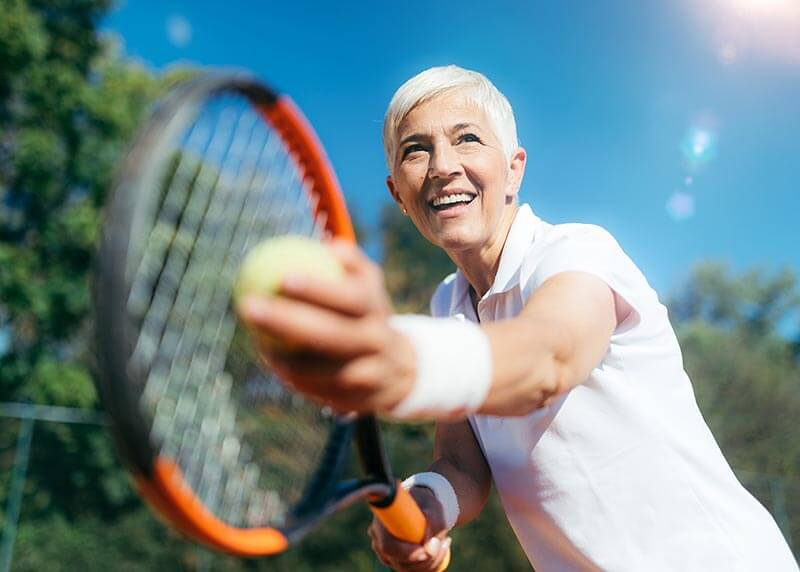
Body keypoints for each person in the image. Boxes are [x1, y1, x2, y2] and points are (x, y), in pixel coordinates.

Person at [239, 66, 798, 571]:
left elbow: (548, 358)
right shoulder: (446, 306)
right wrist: (427, 506)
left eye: (467, 139)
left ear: (513, 171)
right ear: (399, 195)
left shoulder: (577, 251)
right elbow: (463, 463)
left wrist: (399, 359)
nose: (443, 166)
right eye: (416, 150)